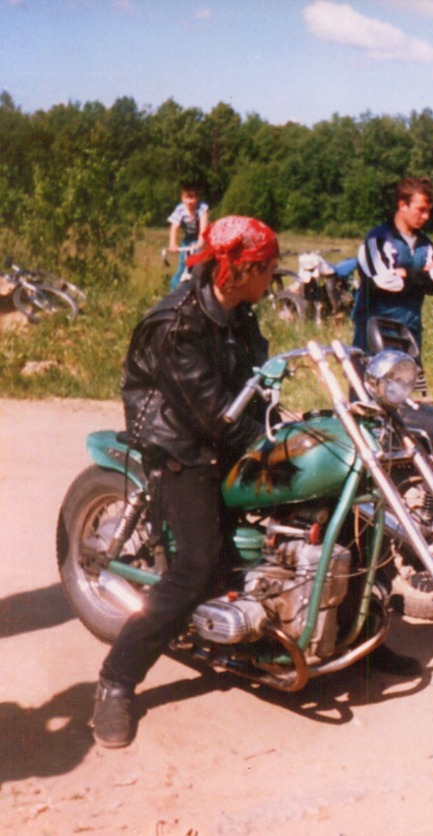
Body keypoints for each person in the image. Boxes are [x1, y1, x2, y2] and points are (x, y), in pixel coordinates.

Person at [92, 216, 279, 748]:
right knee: (198, 566)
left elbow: (257, 373)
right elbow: (210, 412)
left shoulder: (239, 311)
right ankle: (116, 680)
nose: (274, 278)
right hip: (180, 442)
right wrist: (264, 440)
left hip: (218, 429)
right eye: (268, 269)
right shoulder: (178, 322)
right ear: (243, 269)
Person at [351, 177, 433, 359]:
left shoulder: (426, 244)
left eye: (428, 211)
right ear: (402, 204)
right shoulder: (378, 239)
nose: (426, 216)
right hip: (375, 333)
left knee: (405, 386)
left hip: (410, 331)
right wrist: (423, 276)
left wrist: (406, 274)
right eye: (421, 210)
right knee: (366, 387)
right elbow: (383, 282)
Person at [166, 183, 209, 290]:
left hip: (202, 238)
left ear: (197, 198)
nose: (190, 201)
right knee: (182, 265)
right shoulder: (180, 209)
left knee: (199, 265)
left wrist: (200, 242)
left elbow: (203, 227)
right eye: (187, 197)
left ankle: (202, 290)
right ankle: (173, 293)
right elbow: (174, 227)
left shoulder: (202, 208)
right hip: (188, 238)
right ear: (182, 198)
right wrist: (173, 244)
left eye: (192, 197)